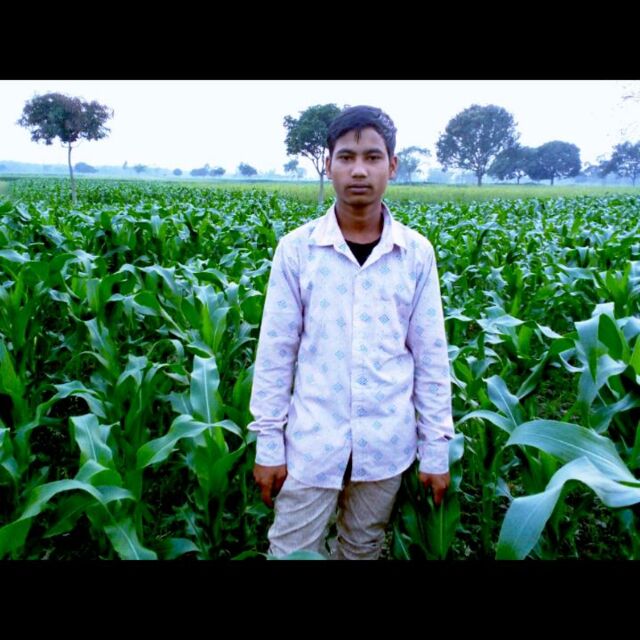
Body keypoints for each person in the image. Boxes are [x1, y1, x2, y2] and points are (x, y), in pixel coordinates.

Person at [248, 105, 454, 560]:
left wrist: (436, 450)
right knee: (290, 551)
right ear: (328, 164)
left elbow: (431, 357)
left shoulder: (416, 254)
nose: (359, 170)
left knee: (363, 548)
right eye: (346, 157)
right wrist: (269, 442)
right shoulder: (297, 250)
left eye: (372, 157)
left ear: (392, 166)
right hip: (311, 442)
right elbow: (276, 354)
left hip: (386, 444)